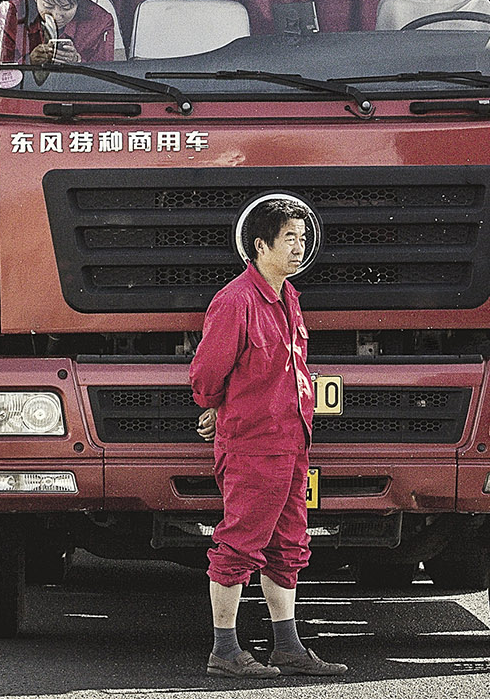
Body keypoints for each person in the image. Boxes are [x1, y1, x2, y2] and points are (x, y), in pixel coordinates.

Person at [188, 195, 345, 679]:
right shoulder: (236, 301)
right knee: (239, 544)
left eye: (303, 239)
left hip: (292, 441)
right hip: (254, 444)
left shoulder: (288, 296)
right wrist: (218, 407)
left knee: (288, 543)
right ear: (259, 245)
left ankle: (288, 647)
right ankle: (225, 650)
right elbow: (205, 375)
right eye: (289, 240)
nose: (300, 248)